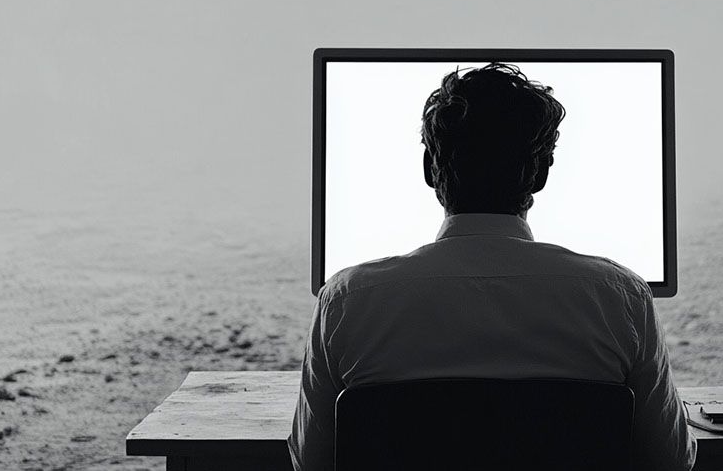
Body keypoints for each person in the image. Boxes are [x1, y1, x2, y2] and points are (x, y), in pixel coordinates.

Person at [288, 62, 693, 470]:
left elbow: (312, 462)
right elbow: (671, 462)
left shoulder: (348, 301)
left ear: (430, 169)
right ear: (541, 175)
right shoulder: (619, 297)